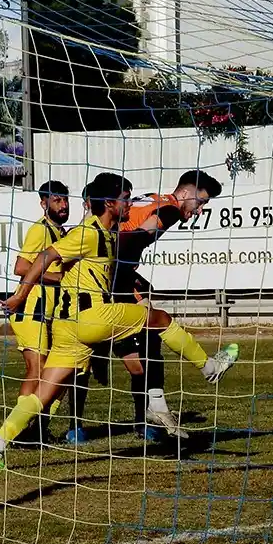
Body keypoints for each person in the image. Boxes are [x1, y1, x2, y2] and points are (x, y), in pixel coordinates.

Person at [0, 174, 239, 471]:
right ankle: (209, 368)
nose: (130, 203)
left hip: (68, 327)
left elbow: (86, 261)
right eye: (126, 199)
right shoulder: (93, 232)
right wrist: (19, 296)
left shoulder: (106, 232)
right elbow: (45, 255)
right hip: (93, 317)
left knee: (45, 393)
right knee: (160, 320)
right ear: (112, 204)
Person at [112, 169, 224, 441]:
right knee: (156, 320)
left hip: (112, 278)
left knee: (143, 350)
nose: (199, 211)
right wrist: (113, 254)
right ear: (184, 193)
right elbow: (135, 239)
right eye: (200, 203)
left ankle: (156, 408)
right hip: (109, 280)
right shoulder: (170, 210)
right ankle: (207, 368)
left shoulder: (151, 198)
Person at [8, 181, 69, 445]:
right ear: (44, 204)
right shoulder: (40, 230)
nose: (63, 205)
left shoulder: (61, 232)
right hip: (30, 310)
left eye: (65, 200)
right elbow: (21, 267)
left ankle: (39, 429)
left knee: (61, 372)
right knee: (37, 369)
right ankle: (20, 431)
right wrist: (60, 278)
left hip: (50, 312)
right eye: (56, 200)